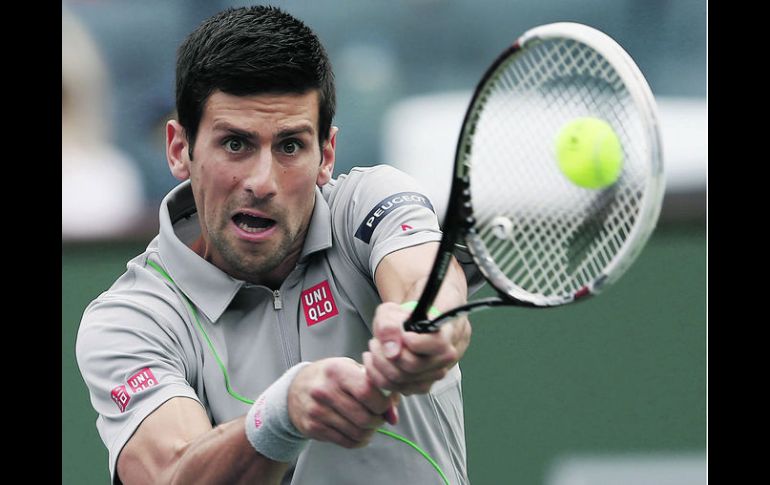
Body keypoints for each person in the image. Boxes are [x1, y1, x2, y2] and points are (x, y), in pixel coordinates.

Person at [76, 6, 475, 484]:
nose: (262, 182)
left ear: (326, 154)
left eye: (289, 146)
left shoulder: (370, 201)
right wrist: (281, 416)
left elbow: (425, 277)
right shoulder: (131, 318)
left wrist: (424, 322)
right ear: (180, 149)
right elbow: (171, 475)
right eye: (235, 144)